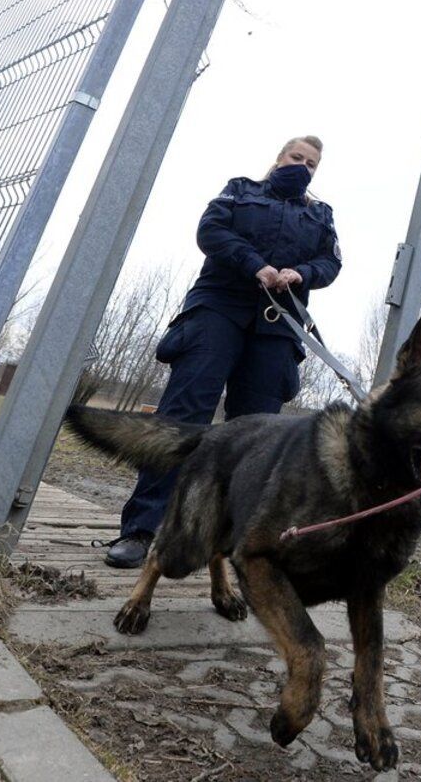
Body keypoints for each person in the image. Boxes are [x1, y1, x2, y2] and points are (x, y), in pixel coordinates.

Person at [104, 136, 342, 568]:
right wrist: (255, 264)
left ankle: (232, 545)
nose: (302, 167)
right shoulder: (240, 189)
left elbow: (331, 264)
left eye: (311, 164)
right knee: (181, 418)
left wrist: (300, 273)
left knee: (256, 437)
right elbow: (210, 231)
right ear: (278, 157)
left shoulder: (320, 215)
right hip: (218, 310)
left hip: (275, 327)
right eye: (296, 158)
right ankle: (141, 530)